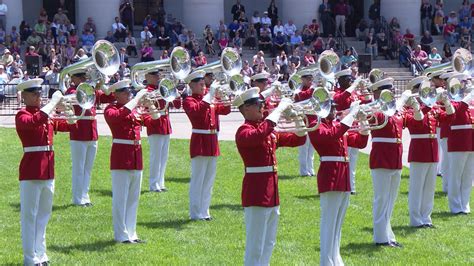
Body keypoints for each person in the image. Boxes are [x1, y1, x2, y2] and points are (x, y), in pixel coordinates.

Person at [233, 87, 305, 266]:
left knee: (269, 242)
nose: (262, 108)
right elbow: (258, 136)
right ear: (246, 108)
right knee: (255, 244)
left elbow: (297, 140)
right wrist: (279, 110)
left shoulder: (267, 130)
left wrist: (297, 119)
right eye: (258, 105)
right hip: (256, 193)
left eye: (262, 105)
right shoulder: (243, 131)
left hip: (272, 194)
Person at [15, 78, 69, 265]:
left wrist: (74, 112)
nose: (39, 97)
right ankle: (30, 258)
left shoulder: (45, 115)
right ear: (25, 97)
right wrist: (53, 104)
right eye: (35, 94)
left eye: (40, 93)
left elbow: (68, 126)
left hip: (48, 171)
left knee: (43, 217)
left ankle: (41, 254)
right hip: (31, 171)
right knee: (30, 216)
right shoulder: (22, 114)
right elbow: (33, 122)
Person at [308, 99, 368, 265]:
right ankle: (326, 261)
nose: (334, 111)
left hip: (343, 176)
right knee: (329, 222)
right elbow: (331, 135)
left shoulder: (336, 125)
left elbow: (360, 143)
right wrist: (350, 116)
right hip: (330, 175)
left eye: (334, 108)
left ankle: (335, 257)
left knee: (338, 223)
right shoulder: (316, 126)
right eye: (330, 108)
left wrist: (363, 123)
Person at [368, 77, 424, 247]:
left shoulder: (396, 111)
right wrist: (400, 101)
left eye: (391, 91)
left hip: (395, 160)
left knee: (390, 200)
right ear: (377, 93)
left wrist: (415, 107)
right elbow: (379, 116)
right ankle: (380, 237)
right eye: (387, 90)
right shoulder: (375, 109)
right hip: (381, 159)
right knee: (381, 199)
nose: (391, 93)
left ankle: (388, 234)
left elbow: (418, 121)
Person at [404, 77, 455, 227]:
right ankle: (415, 219)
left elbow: (450, 118)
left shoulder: (432, 108)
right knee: (417, 187)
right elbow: (418, 121)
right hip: (419, 151)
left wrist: (446, 102)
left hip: (432, 151)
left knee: (429, 188)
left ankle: (426, 218)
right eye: (424, 89)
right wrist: (429, 103)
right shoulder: (411, 109)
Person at [183, 70, 231, 220]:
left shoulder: (208, 99)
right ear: (191, 85)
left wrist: (223, 96)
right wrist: (210, 94)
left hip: (212, 141)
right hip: (200, 140)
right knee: (198, 179)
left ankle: (205, 211)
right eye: (200, 83)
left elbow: (226, 110)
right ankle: (195, 212)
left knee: (209, 180)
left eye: (204, 83)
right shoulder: (189, 100)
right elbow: (197, 111)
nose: (203, 85)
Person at [104, 79, 147, 244]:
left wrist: (153, 109)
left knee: (133, 199)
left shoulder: (134, 109)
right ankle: (121, 234)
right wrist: (136, 100)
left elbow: (150, 122)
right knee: (120, 199)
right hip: (121, 157)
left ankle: (132, 233)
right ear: (116, 95)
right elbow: (118, 117)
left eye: (130, 92)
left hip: (137, 156)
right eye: (126, 93)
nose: (129, 95)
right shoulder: (111, 110)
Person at [65, 67, 115, 206]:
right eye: (79, 78)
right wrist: (92, 85)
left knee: (88, 168)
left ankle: (85, 197)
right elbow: (79, 96)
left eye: (83, 77)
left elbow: (110, 97)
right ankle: (77, 198)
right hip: (78, 133)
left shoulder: (91, 90)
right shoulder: (72, 91)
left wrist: (103, 84)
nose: (82, 80)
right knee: (78, 168)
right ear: (74, 79)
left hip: (92, 133)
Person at [142, 70, 181, 192]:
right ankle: (153, 184)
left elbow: (177, 105)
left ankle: (161, 182)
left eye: (158, 74)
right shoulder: (146, 91)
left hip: (165, 124)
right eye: (154, 75)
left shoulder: (163, 87)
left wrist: (175, 92)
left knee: (164, 157)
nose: (158, 77)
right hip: (155, 124)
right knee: (156, 157)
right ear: (148, 76)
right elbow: (145, 110)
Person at [332, 69, 367, 194]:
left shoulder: (353, 93)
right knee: (342, 160)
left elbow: (366, 102)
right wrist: (354, 86)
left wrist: (366, 91)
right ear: (340, 81)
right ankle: (342, 184)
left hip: (355, 129)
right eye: (347, 79)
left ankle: (351, 187)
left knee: (353, 160)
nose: (350, 81)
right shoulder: (336, 94)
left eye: (350, 79)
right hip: (343, 130)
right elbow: (341, 99)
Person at [446, 77, 474, 215]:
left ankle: (465, 204)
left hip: (471, 143)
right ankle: (456, 206)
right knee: (456, 176)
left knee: (468, 176)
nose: (465, 87)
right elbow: (455, 113)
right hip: (458, 143)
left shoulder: (470, 102)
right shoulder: (453, 102)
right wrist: (468, 97)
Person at [293, 69, 317, 176]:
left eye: (311, 79)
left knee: (312, 147)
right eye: (308, 79)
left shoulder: (314, 89)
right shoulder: (298, 90)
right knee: (303, 146)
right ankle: (303, 171)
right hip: (303, 121)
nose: (310, 81)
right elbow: (303, 96)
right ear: (302, 79)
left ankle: (310, 169)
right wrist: (313, 88)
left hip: (313, 119)